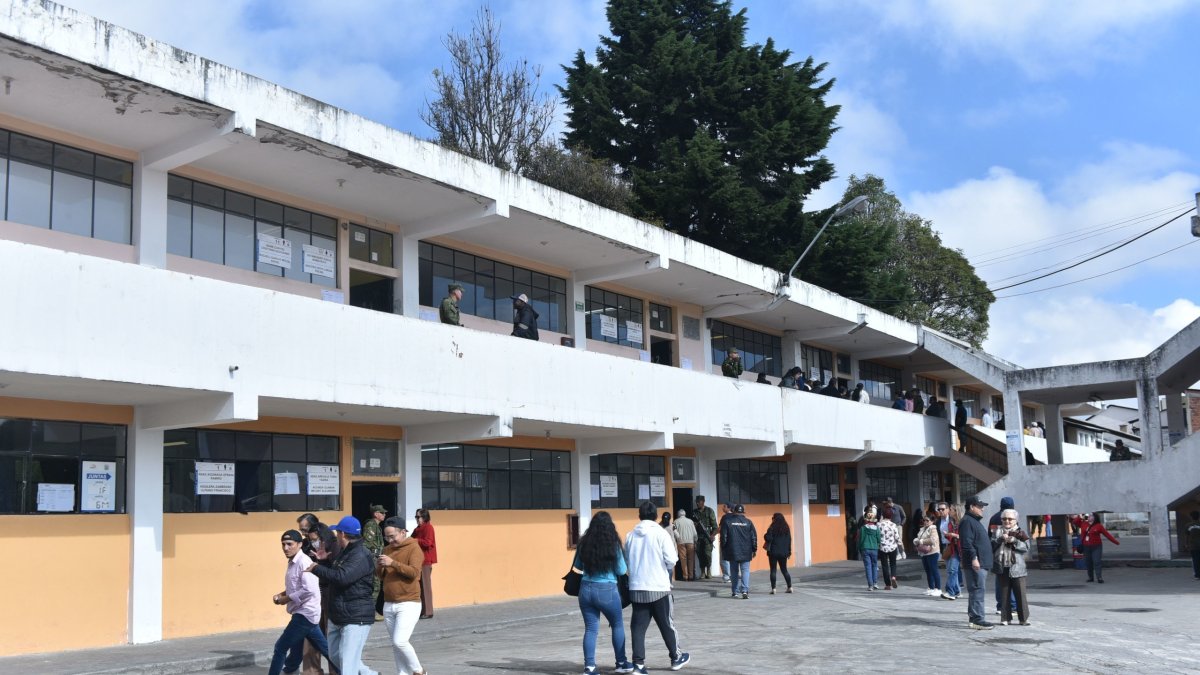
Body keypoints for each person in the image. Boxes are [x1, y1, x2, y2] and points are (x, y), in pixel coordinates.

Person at [305, 516, 378, 675]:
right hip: (338, 615)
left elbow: (342, 578)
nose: (336, 536)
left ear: (343, 534)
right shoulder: (345, 553)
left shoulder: (360, 555)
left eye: (337, 532)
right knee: (337, 657)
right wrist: (324, 562)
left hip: (355, 616)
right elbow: (333, 575)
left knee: (348, 665)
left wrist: (316, 567)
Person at [625, 501, 689, 673]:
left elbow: (627, 561)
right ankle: (676, 657)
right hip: (659, 588)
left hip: (637, 588)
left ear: (639, 515)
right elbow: (672, 560)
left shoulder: (630, 535)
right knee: (667, 624)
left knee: (637, 627)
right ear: (655, 516)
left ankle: (638, 664)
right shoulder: (661, 534)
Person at [574, 512, 634, 675]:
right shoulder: (613, 544)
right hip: (607, 590)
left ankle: (590, 667)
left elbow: (578, 566)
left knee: (591, 629)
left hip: (585, 589)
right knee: (617, 625)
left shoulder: (583, 543)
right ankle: (621, 662)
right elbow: (621, 570)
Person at [268, 530, 331, 675]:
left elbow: (309, 589)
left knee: (280, 647)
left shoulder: (303, 562)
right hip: (304, 613)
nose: (285, 548)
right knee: (318, 650)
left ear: (300, 544)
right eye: (283, 544)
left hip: (305, 613)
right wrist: (282, 594)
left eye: (290, 544)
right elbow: (296, 586)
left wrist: (286, 599)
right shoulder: (293, 561)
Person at [376, 517, 428, 675]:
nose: (390, 540)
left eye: (393, 536)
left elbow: (413, 573)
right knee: (395, 644)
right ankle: (402, 672)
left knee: (400, 641)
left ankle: (418, 671)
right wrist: (379, 566)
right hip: (389, 602)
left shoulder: (414, 548)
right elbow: (381, 576)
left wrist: (392, 563)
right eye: (387, 537)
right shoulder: (387, 550)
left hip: (409, 603)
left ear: (403, 532)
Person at [991, 508, 1031, 626]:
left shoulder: (1020, 532)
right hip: (1002, 566)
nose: (1007, 521)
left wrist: (1014, 541)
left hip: (1017, 568)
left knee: (1020, 594)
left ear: (1015, 520)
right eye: (1004, 519)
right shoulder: (997, 532)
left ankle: (1023, 619)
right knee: (1004, 594)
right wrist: (1000, 539)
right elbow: (991, 546)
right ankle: (1005, 618)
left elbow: (1027, 547)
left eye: (1010, 519)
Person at [960, 495, 994, 629]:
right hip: (976, 563)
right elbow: (967, 543)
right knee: (977, 590)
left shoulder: (973, 521)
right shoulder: (967, 521)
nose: (982, 509)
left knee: (977, 589)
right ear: (971, 507)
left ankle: (974, 616)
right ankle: (977, 619)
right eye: (979, 507)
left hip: (981, 562)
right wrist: (974, 559)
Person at [720, 503, 757, 599]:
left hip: (733, 551)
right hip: (746, 551)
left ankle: (735, 592)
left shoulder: (727, 522)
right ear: (743, 512)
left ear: (734, 511)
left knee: (734, 572)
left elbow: (723, 537)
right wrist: (754, 549)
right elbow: (754, 537)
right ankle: (745, 591)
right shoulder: (748, 522)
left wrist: (724, 549)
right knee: (745, 571)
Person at [989, 497, 1019, 613]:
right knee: (1011, 579)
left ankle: (1000, 606)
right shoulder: (1012, 517)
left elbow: (989, 537)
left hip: (996, 553)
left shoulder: (993, 518)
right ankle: (1012, 606)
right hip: (1010, 553)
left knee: (999, 580)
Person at [1077, 512, 1119, 583]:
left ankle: (1099, 577)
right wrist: (1081, 516)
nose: (1089, 517)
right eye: (1088, 516)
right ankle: (1090, 577)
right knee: (1088, 562)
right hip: (1086, 546)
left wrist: (1116, 542)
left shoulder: (1098, 526)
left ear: (1095, 517)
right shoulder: (1083, 524)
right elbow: (1075, 521)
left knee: (1097, 561)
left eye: (1091, 515)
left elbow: (1107, 534)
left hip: (1096, 546)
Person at [412, 508, 437, 618]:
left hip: (425, 560)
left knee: (425, 586)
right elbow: (411, 539)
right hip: (419, 560)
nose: (417, 519)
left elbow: (428, 543)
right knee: (420, 586)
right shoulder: (418, 529)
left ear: (424, 517)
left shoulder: (428, 527)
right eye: (416, 517)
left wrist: (416, 540)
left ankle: (428, 612)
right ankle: (423, 611)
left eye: (418, 517)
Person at [763, 513, 793, 594]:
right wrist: (789, 552)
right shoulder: (786, 528)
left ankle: (774, 589)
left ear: (774, 519)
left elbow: (768, 538)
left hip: (773, 552)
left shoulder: (772, 528)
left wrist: (765, 535)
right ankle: (789, 587)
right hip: (783, 552)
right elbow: (789, 540)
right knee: (784, 570)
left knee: (773, 570)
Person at [914, 514, 942, 597]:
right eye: (924, 520)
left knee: (934, 570)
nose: (925, 522)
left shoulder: (933, 528)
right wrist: (916, 540)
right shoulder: (922, 529)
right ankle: (931, 587)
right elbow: (918, 538)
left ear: (932, 521)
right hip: (924, 552)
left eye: (927, 520)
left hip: (932, 551)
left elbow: (933, 540)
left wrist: (921, 541)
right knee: (928, 570)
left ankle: (938, 588)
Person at [940, 504, 963, 601]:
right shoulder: (951, 522)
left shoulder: (963, 522)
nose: (949, 511)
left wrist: (954, 535)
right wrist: (948, 535)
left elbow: (964, 536)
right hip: (952, 548)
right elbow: (950, 537)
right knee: (953, 570)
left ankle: (950, 592)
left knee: (952, 570)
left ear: (956, 511)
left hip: (960, 548)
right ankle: (956, 591)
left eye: (951, 509)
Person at [692, 496, 718, 580]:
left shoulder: (709, 511)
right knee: (700, 554)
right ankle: (703, 572)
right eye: (696, 502)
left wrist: (712, 535)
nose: (697, 503)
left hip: (707, 536)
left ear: (703, 502)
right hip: (698, 536)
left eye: (699, 502)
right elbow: (691, 524)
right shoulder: (694, 512)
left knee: (707, 554)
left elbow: (715, 526)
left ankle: (709, 570)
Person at [856, 505, 881, 590]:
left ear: (866, 519)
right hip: (874, 549)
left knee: (868, 567)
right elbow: (879, 539)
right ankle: (875, 583)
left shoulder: (863, 528)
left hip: (865, 549)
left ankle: (870, 585)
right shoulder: (877, 528)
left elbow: (861, 540)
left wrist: (859, 548)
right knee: (874, 566)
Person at [878, 508, 902, 590]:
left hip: (882, 547)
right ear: (891, 516)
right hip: (892, 547)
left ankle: (888, 584)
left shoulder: (879, 525)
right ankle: (893, 577)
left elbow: (877, 536)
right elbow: (897, 537)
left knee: (884, 566)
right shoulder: (893, 525)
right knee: (893, 564)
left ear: (883, 515)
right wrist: (900, 546)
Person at [672, 509, 697, 582]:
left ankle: (685, 576)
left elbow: (675, 532)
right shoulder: (690, 521)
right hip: (690, 542)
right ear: (685, 514)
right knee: (691, 559)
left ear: (678, 515)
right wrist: (695, 540)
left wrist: (677, 539)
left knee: (683, 559)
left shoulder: (676, 521)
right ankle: (691, 576)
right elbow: (695, 533)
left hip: (681, 542)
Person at [718, 503, 733, 582]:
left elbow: (720, 529)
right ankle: (733, 576)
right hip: (734, 541)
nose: (722, 508)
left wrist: (712, 535)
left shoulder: (725, 517)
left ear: (729, 508)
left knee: (724, 559)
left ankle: (727, 576)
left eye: (724, 506)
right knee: (733, 559)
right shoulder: (735, 516)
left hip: (725, 541)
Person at [1186, 511, 1200, 580]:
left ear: (1191, 517)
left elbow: (1187, 536)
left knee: (1195, 560)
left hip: (1193, 546)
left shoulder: (1188, 525)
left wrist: (1186, 544)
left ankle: (1197, 575)